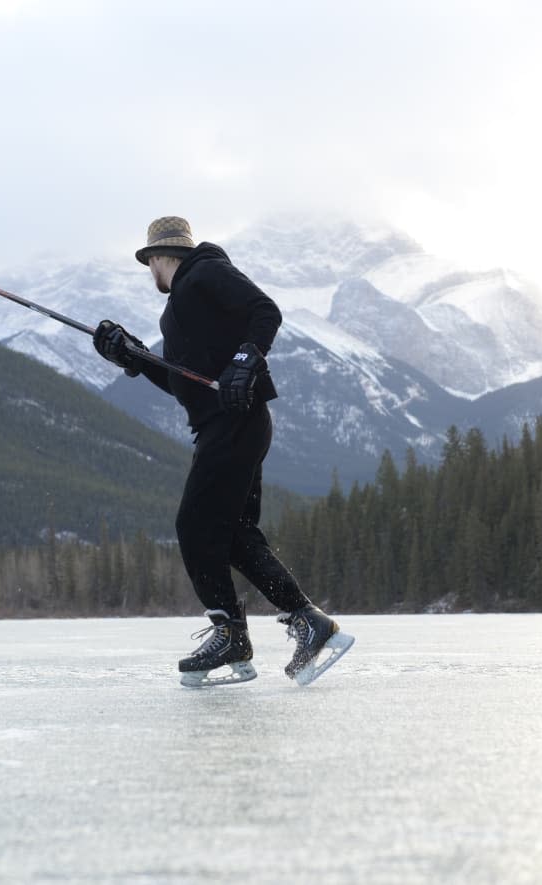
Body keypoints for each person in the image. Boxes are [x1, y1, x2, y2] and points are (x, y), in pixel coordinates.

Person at [92, 216, 354, 687]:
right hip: (233, 424)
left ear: (156, 258)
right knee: (235, 537)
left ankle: (230, 632)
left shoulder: (205, 270)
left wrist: (246, 360)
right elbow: (181, 380)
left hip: (234, 422)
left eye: (148, 263)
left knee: (194, 526)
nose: (149, 272)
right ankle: (311, 623)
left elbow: (265, 311)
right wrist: (131, 355)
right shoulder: (178, 311)